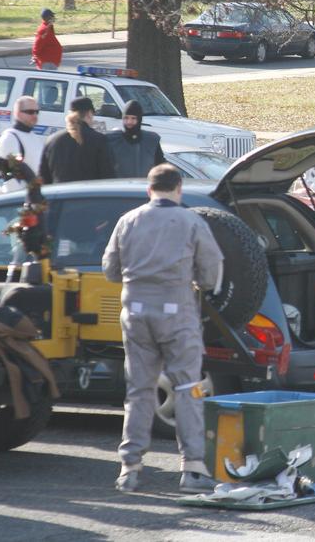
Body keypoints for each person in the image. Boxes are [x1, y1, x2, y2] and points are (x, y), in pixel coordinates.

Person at [102, 164, 224, 493]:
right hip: (177, 314)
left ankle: (130, 468)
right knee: (188, 388)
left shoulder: (128, 221)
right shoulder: (191, 221)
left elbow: (110, 270)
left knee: (140, 390)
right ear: (179, 188)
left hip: (136, 314)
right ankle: (193, 469)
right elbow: (211, 273)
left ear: (149, 190)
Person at [40, 97, 116, 185]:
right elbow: (108, 176)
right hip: (87, 196)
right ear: (89, 114)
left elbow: (43, 178)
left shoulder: (51, 140)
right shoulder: (99, 140)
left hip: (59, 196)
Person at [0, 96, 45, 193]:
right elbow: (14, 172)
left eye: (37, 112)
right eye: (30, 112)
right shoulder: (10, 137)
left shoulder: (34, 137)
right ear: (17, 113)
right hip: (17, 198)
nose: (35, 115)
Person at [107, 101, 165, 178]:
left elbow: (161, 167)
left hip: (145, 187)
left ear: (139, 119)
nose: (129, 122)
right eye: (126, 118)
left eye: (133, 118)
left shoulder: (152, 141)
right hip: (119, 187)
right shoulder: (112, 140)